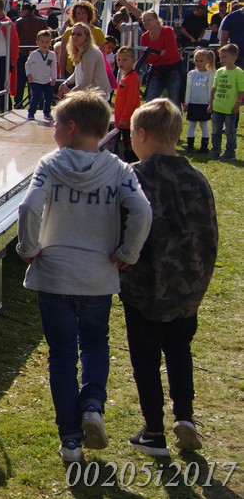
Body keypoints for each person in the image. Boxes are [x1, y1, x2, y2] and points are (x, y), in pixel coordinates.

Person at [17, 90, 152, 462]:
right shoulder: (119, 169)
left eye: (56, 123)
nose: (53, 130)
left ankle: (71, 440)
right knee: (94, 342)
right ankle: (93, 404)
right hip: (97, 275)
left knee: (61, 355)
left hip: (54, 275)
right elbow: (142, 212)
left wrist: (28, 248)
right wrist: (127, 253)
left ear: (71, 127)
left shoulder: (50, 164)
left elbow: (29, 207)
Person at [120, 98, 218, 456]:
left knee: (145, 359)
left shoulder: (134, 177)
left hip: (144, 288)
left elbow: (123, 226)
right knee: (179, 350)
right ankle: (185, 417)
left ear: (142, 134)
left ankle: (154, 431)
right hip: (187, 289)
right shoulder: (198, 178)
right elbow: (210, 233)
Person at [208, 44, 244, 160]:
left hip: (230, 109)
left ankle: (230, 152)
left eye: (225, 57)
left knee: (230, 132)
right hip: (217, 107)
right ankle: (215, 150)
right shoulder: (219, 71)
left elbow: (241, 91)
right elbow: (214, 89)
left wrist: (237, 104)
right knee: (216, 131)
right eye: (220, 57)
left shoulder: (239, 73)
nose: (222, 59)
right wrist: (211, 103)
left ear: (234, 57)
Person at [57, 23, 111, 100]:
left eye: (79, 34)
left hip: (97, 97)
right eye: (73, 34)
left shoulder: (90, 53)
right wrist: (64, 84)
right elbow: (76, 73)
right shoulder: (80, 51)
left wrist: (69, 94)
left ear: (87, 37)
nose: (75, 36)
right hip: (87, 95)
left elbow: (86, 82)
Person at [140, 10, 183, 105]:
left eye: (149, 20)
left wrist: (153, 55)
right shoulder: (144, 37)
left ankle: (175, 115)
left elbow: (171, 54)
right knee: (150, 99)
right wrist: (160, 53)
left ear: (156, 20)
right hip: (156, 71)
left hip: (173, 70)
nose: (146, 22)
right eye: (144, 21)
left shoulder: (167, 31)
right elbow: (145, 58)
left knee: (174, 100)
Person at [59, 1, 106, 76]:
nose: (81, 16)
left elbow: (102, 55)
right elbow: (63, 55)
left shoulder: (98, 32)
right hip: (70, 70)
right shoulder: (68, 32)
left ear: (89, 14)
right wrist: (62, 74)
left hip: (91, 70)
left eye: (84, 13)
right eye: (78, 13)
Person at [15, 3, 48, 107]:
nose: (20, 13)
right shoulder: (42, 22)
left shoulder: (19, 22)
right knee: (37, 80)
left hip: (22, 54)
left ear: (25, 11)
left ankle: (18, 103)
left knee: (20, 81)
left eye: (21, 11)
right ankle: (37, 102)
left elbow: (16, 39)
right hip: (39, 54)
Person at [184, 48, 216, 154]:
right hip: (193, 103)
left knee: (204, 125)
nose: (198, 63)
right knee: (191, 124)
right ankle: (190, 146)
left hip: (204, 104)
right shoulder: (191, 74)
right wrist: (186, 102)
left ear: (208, 61)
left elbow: (210, 90)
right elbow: (188, 89)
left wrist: (210, 104)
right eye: (196, 60)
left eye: (201, 61)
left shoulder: (210, 74)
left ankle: (204, 147)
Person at [113, 46, 141, 162]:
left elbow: (131, 101)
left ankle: (133, 165)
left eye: (125, 60)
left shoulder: (132, 78)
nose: (121, 62)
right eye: (119, 59)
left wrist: (125, 118)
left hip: (128, 122)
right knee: (122, 145)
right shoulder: (124, 76)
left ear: (133, 60)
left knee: (129, 147)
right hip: (121, 120)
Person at [24, 29, 57, 121]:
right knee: (37, 96)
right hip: (35, 80)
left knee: (49, 97)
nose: (45, 44)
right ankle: (31, 112)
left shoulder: (52, 55)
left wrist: (54, 78)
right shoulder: (34, 54)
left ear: (50, 42)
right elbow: (27, 64)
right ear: (37, 42)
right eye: (42, 42)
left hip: (47, 80)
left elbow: (53, 66)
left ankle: (47, 113)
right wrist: (29, 74)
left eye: (47, 42)